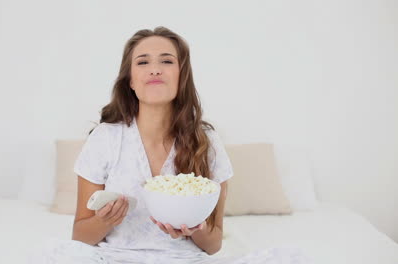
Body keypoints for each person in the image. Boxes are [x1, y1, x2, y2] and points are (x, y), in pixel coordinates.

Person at [29, 26, 312, 264]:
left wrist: (194, 229)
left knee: (290, 257)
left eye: (166, 61)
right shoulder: (106, 138)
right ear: (130, 80)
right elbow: (80, 235)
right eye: (143, 62)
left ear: (181, 75)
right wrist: (106, 220)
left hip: (184, 260)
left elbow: (213, 244)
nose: (155, 69)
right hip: (116, 258)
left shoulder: (207, 142)